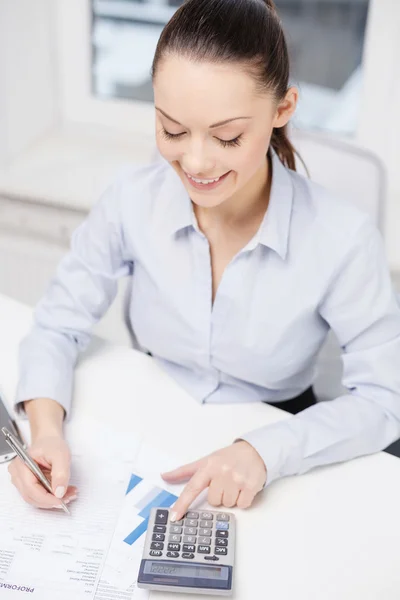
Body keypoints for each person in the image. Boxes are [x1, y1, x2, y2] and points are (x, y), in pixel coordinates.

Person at [8, 0, 400, 520]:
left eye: (228, 137)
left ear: (283, 110)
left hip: (275, 442)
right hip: (149, 423)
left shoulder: (343, 239)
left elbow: (384, 398)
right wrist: (45, 432)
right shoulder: (131, 201)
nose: (194, 162)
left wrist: (266, 451)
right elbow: (57, 323)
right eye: (172, 130)